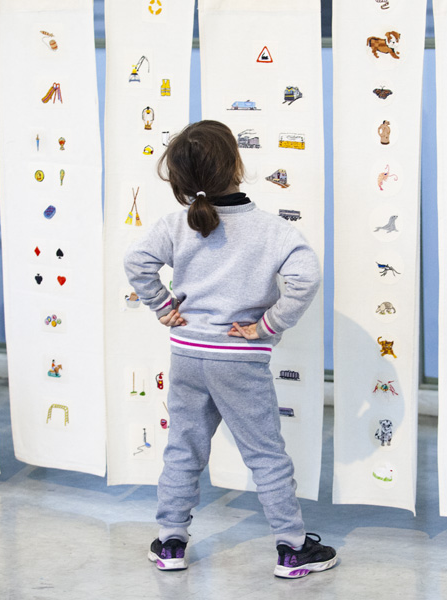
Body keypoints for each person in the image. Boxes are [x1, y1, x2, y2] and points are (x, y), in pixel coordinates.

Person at [124, 120, 337, 579]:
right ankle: (292, 548)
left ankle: (170, 542)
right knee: (265, 454)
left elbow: (136, 261)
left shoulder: (176, 224)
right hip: (239, 360)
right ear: (236, 164)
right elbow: (306, 277)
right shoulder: (271, 230)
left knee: (183, 450)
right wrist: (268, 325)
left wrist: (163, 307)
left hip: (187, 355)